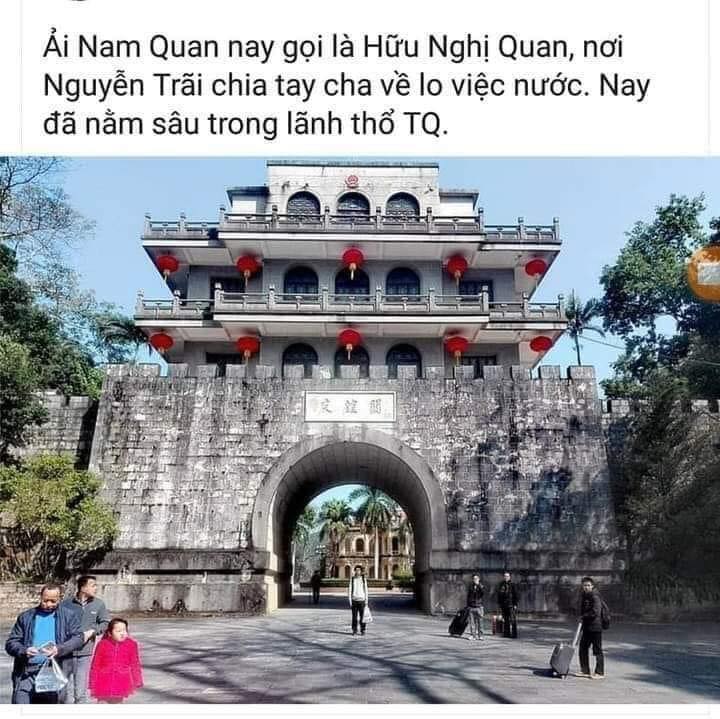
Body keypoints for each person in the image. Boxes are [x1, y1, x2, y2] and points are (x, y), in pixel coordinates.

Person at [5, 584, 84, 704]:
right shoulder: (26, 617)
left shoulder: (69, 616)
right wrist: (24, 650)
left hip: (54, 672)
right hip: (26, 672)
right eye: (45, 600)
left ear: (60, 598)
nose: (48, 604)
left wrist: (59, 649)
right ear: (40, 597)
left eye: (53, 601)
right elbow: (11, 642)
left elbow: (78, 638)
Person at [62, 575, 111, 703]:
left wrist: (92, 631)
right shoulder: (66, 604)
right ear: (83, 587)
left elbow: (105, 623)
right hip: (65, 653)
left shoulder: (99, 604)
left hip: (85, 653)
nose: (96, 588)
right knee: (61, 692)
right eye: (93, 585)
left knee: (80, 693)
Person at [88, 618, 143, 703]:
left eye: (124, 630)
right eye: (118, 631)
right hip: (103, 682)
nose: (122, 633)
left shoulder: (131, 644)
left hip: (121, 681)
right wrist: (92, 682)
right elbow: (95, 665)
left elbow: (135, 663)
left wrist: (137, 680)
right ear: (110, 633)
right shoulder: (102, 644)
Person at [576, 576, 605, 679]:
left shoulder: (595, 596)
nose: (586, 587)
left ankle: (600, 673)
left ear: (592, 586)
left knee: (597, 650)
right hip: (587, 627)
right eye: (584, 585)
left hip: (595, 627)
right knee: (583, 648)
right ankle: (585, 671)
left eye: (588, 585)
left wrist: (583, 616)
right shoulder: (585, 595)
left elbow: (595, 612)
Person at [496, 571, 519, 638]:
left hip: (511, 604)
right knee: (506, 620)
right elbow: (499, 595)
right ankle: (507, 633)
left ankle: (514, 634)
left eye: (507, 576)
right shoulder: (501, 584)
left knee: (513, 620)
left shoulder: (512, 585)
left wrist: (515, 604)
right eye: (505, 576)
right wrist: (499, 604)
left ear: (509, 577)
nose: (506, 577)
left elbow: (516, 595)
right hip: (504, 605)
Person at [348, 565, 369, 636]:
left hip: (362, 600)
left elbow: (366, 590)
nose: (357, 571)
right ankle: (354, 630)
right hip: (354, 600)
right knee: (354, 617)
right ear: (355, 571)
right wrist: (350, 600)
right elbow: (349, 590)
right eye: (356, 570)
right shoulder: (352, 579)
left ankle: (363, 630)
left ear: (361, 571)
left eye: (359, 570)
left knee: (362, 617)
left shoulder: (363, 579)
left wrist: (366, 600)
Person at [466, 574, 484, 641]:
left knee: (480, 622)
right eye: (474, 579)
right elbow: (468, 596)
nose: (475, 580)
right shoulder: (471, 586)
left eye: (476, 578)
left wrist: (478, 585)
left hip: (479, 606)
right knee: (472, 622)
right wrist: (468, 605)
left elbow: (482, 593)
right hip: (471, 606)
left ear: (479, 579)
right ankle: (473, 635)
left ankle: (480, 635)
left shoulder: (481, 586)